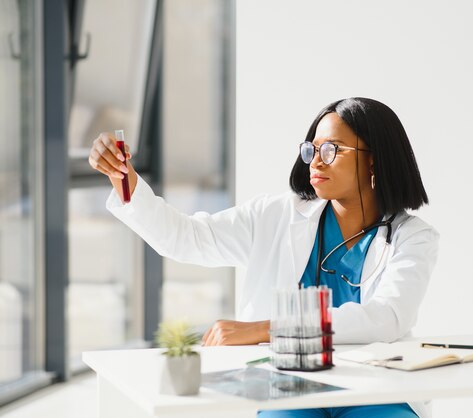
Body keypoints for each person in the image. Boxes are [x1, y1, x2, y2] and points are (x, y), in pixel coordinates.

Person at [89, 97, 439, 417]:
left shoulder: (413, 237)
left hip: (373, 388)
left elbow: (388, 317)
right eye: (311, 149)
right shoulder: (273, 216)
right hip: (287, 382)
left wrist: (262, 330)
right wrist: (126, 181)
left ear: (374, 158)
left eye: (332, 149)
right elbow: (186, 240)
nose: (315, 162)